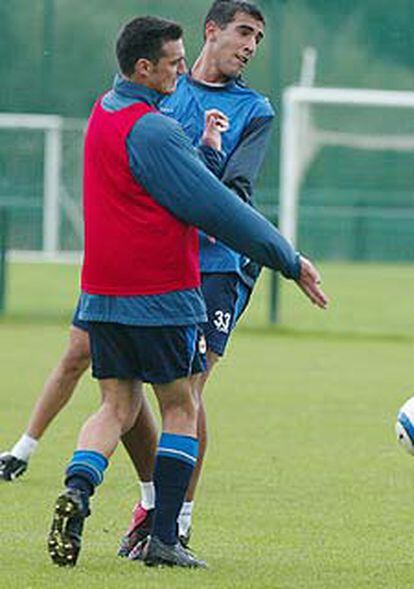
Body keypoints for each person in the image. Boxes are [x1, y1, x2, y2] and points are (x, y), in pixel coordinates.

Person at [0, 0, 319, 550]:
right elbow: (199, 194)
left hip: (214, 268)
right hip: (159, 275)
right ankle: (160, 521)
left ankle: (153, 513)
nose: (251, 46)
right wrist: (287, 257)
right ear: (210, 32)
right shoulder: (159, 103)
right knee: (169, 400)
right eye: (244, 32)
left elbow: (231, 194)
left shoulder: (248, 110)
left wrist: (208, 159)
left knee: (149, 396)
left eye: (259, 39)